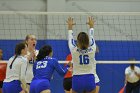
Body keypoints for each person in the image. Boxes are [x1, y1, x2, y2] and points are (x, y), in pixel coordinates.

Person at [67, 17, 96, 93]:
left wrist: (70, 27)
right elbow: (92, 37)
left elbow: (70, 39)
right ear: (87, 41)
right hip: (89, 78)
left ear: (78, 41)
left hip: (77, 79)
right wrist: (91, 26)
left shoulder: (74, 50)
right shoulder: (92, 48)